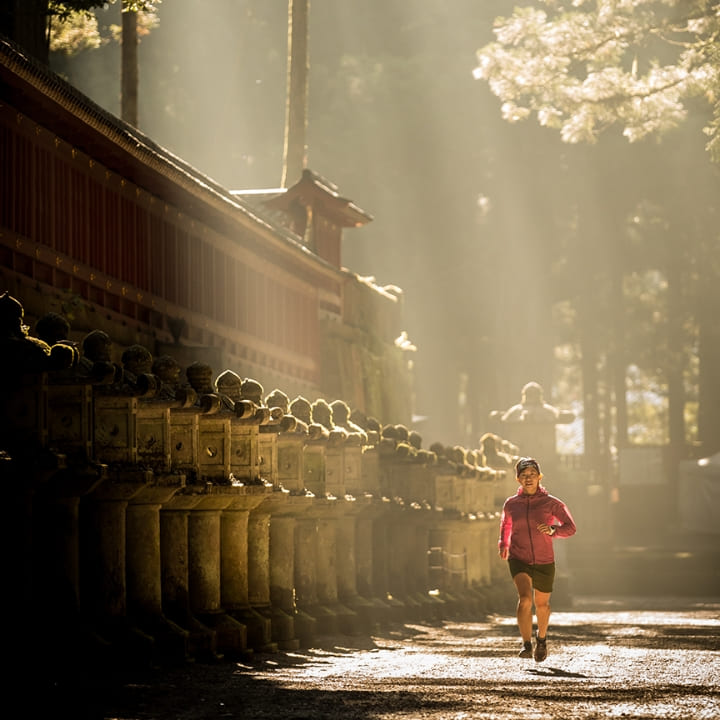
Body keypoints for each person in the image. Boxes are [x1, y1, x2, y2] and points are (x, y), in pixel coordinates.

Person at [498, 457, 576, 662]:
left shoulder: (552, 503)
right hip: (518, 557)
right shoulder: (511, 504)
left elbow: (570, 527)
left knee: (543, 605)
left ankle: (541, 639)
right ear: (518, 479)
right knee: (525, 599)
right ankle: (526, 645)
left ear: (540, 477)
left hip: (544, 559)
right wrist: (503, 544)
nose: (528, 478)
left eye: (532, 474)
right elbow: (506, 524)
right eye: (524, 475)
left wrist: (553, 530)